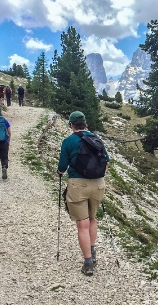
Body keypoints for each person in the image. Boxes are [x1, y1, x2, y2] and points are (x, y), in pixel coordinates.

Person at [57, 111, 109, 276]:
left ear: (71, 124)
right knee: (93, 219)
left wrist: (59, 172)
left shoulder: (68, 141)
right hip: (98, 184)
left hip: (78, 185)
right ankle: (92, 252)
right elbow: (106, 162)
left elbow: (62, 166)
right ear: (85, 123)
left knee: (82, 224)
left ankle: (88, 263)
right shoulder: (96, 139)